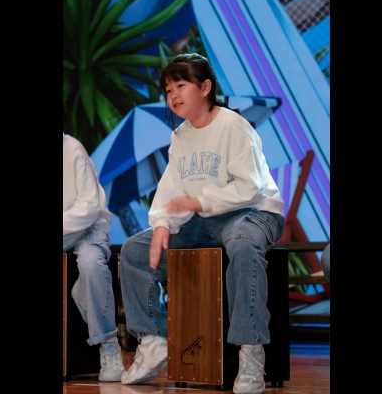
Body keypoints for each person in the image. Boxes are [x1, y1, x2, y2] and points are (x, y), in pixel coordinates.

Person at [119, 53, 285, 394]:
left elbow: (250, 186)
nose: (173, 96)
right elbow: (171, 190)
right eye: (168, 90)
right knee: (135, 250)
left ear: (205, 87)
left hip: (255, 212)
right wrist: (162, 224)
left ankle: (251, 352)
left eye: (181, 85)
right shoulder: (180, 136)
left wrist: (198, 201)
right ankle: (153, 340)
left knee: (242, 243)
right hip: (205, 221)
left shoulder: (233, 125)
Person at [63, 101, 125, 381]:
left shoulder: (72, 148)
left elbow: (89, 207)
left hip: (88, 227)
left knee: (91, 264)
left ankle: (109, 345)